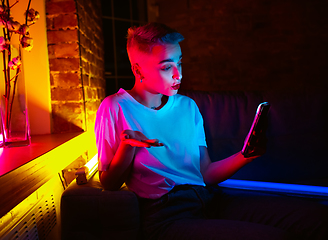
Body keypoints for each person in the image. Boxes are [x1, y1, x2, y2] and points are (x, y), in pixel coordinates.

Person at [94, 22, 328, 240]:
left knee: (316, 218)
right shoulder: (115, 108)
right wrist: (127, 146)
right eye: (167, 67)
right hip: (167, 216)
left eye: (180, 62)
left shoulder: (187, 106)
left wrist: (247, 155)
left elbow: (205, 173)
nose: (178, 74)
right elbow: (109, 183)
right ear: (138, 69)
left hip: (210, 198)